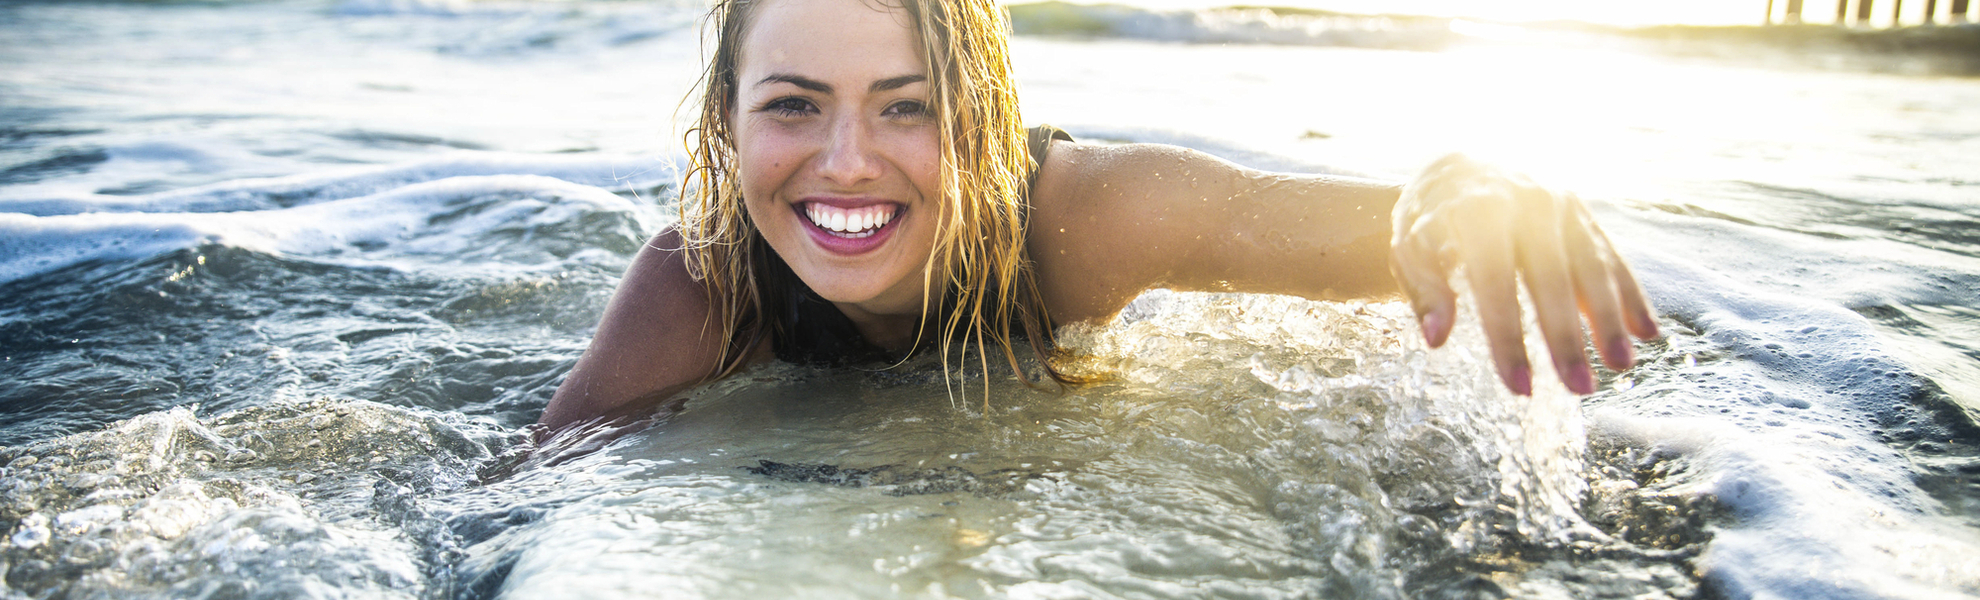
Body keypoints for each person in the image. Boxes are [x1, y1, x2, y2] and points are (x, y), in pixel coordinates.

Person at [534, 0, 1660, 432]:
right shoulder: (705, 283)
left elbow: (1402, 233)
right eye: (792, 105)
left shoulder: (1085, 219)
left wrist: (1469, 194)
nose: (848, 163)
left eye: (907, 107)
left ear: (982, 124)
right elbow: (525, 492)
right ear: (725, 127)